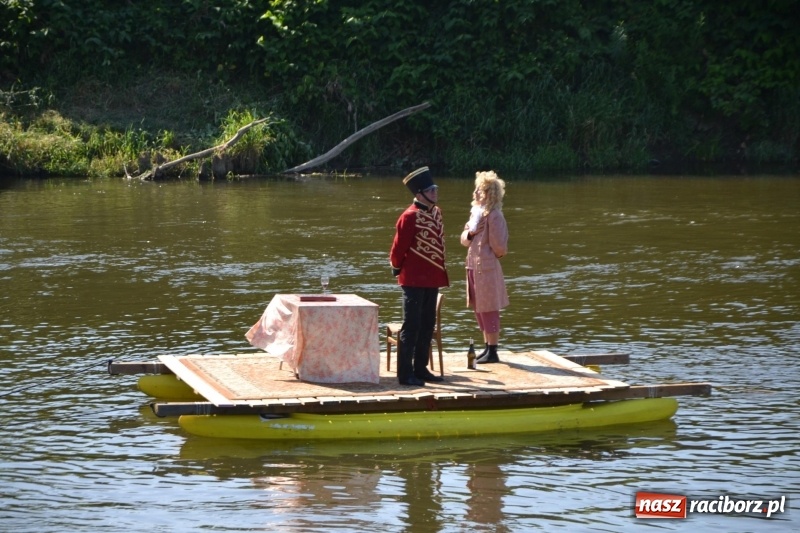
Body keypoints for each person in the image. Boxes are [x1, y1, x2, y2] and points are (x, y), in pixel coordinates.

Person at [389, 166, 450, 386]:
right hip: (413, 280)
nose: (435, 193)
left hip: (432, 278)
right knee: (411, 326)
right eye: (430, 190)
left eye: (435, 189)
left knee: (427, 325)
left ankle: (421, 368)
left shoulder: (436, 212)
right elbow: (398, 249)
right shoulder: (408, 217)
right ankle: (405, 374)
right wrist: (396, 267)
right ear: (419, 193)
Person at [460, 170, 509, 363]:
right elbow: (463, 239)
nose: (475, 193)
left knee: (489, 308)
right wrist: (471, 234)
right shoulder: (476, 214)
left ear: (490, 193)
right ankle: (487, 347)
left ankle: (493, 350)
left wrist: (492, 255)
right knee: (479, 308)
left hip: (487, 269)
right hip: (472, 266)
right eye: (476, 189)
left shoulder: (495, 215)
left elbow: (500, 247)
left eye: (480, 190)